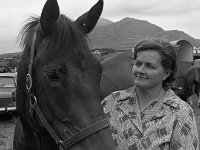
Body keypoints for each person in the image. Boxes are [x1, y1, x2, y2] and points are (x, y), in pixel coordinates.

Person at [102, 38, 199, 150]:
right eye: (137, 64)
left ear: (166, 74)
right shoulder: (111, 102)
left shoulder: (180, 112)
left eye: (150, 66)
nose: (140, 70)